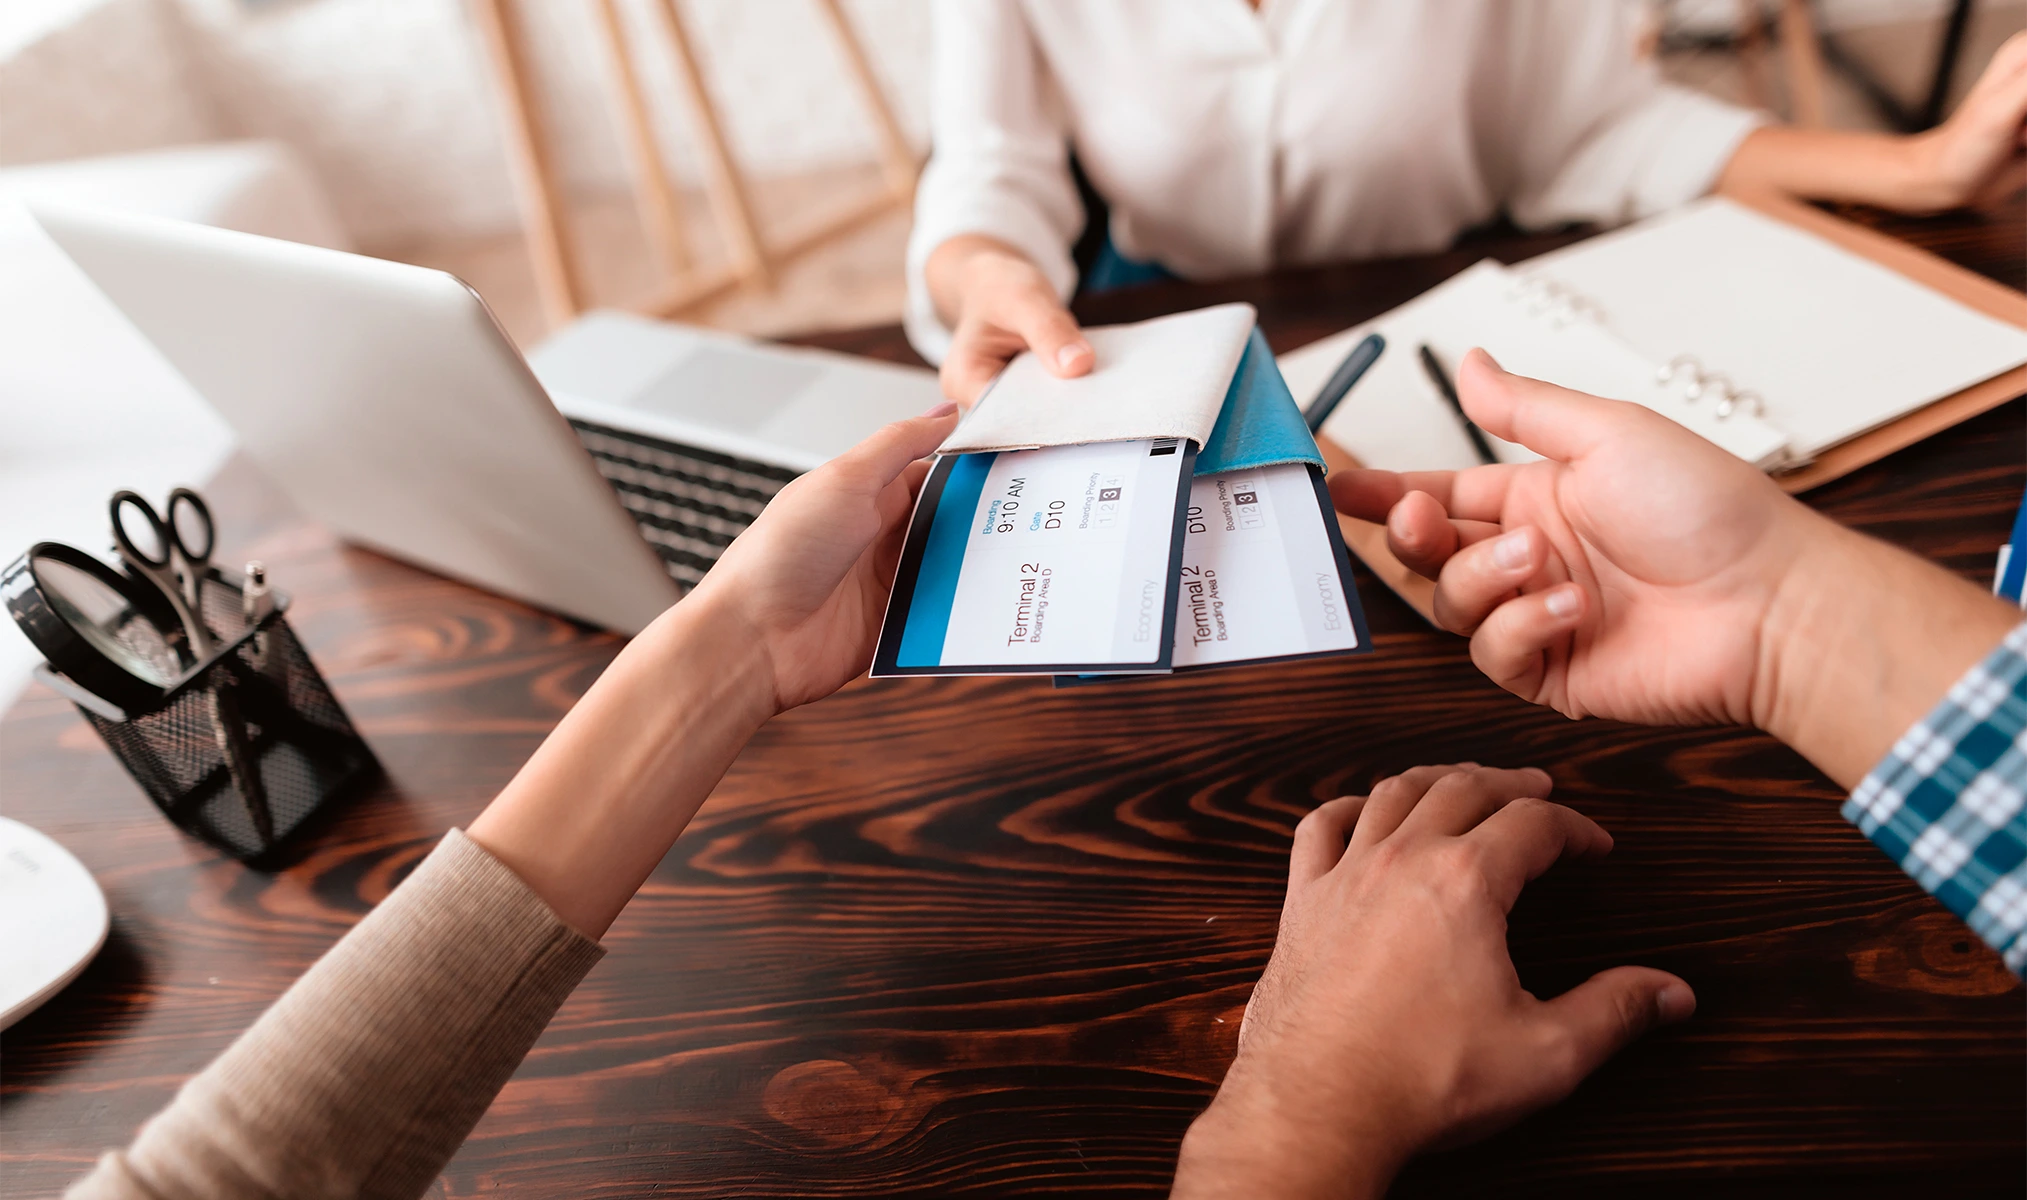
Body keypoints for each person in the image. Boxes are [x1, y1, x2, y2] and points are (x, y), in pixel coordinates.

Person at [910, 2, 2027, 404]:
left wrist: (1920, 168)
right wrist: (981, 274)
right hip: (1148, 332)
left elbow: (1595, 127)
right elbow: (989, 166)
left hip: (1449, 340)